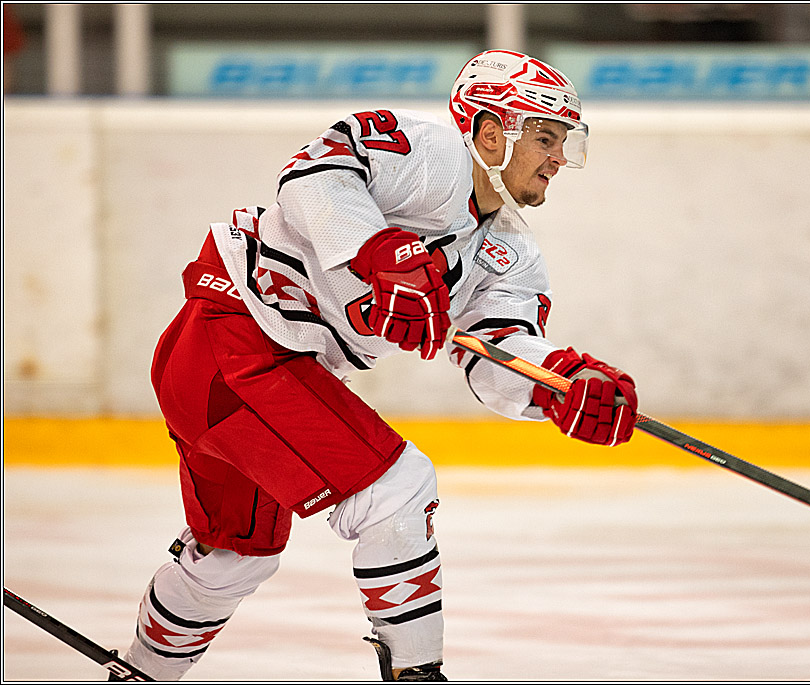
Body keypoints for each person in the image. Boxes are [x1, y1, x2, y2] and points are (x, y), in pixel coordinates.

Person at [119, 49, 639, 682]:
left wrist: (559, 385)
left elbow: (498, 351)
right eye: (546, 137)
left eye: (565, 143)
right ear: (494, 130)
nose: (560, 158)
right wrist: (375, 250)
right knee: (399, 489)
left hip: (251, 374)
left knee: (236, 556)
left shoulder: (508, 252)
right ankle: (417, 675)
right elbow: (312, 174)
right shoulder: (426, 155)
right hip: (233, 343)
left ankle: (139, 674)